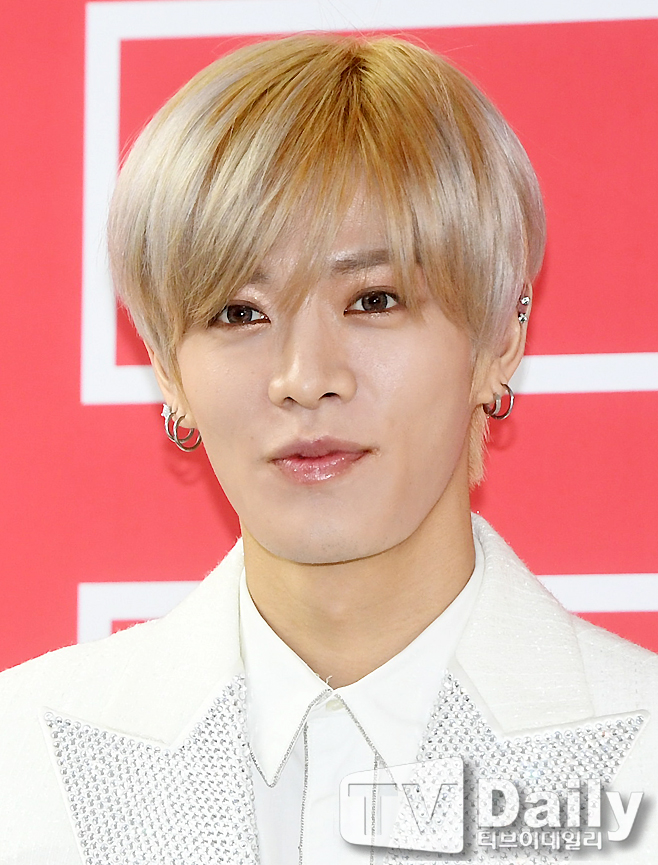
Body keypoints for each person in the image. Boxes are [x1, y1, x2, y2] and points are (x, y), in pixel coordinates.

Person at [0, 33, 656, 865]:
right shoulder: (21, 763)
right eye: (239, 312)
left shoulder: (641, 762)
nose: (306, 379)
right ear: (168, 367)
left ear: (500, 337)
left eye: (374, 299)